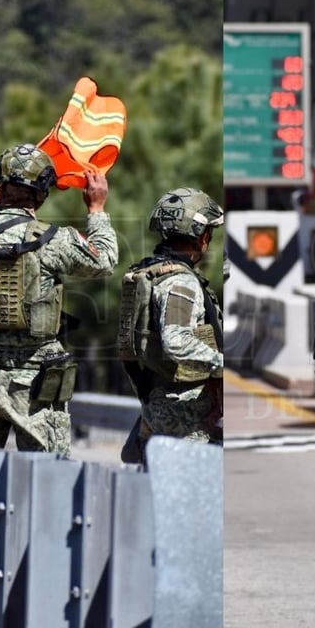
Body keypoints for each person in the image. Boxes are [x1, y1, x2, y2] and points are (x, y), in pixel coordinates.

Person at [0, 142, 118, 455]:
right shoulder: (54, 239)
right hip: (36, 387)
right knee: (47, 479)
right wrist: (96, 209)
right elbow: (104, 260)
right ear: (42, 194)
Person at [117, 187, 226, 464]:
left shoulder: (151, 272)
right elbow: (176, 340)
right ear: (201, 235)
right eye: (209, 232)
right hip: (185, 416)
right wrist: (221, 364)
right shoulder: (181, 281)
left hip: (158, 404)